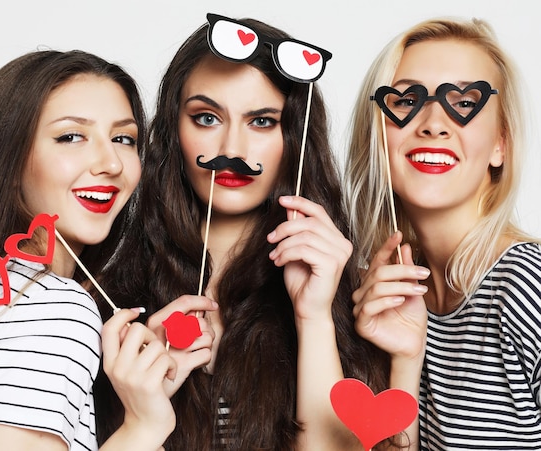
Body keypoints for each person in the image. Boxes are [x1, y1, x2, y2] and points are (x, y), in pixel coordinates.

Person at [95, 13, 398, 451]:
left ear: (294, 137)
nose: (231, 150)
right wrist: (143, 416)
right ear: (172, 130)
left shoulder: (355, 300)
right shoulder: (106, 302)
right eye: (206, 118)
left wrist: (312, 317)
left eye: (262, 122)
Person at [0, 49, 177, 450]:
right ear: (10, 159)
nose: (111, 163)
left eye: (123, 138)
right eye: (71, 136)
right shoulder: (55, 307)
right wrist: (143, 426)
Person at [345, 17, 541, 450]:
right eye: (406, 100)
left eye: (465, 103)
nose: (433, 123)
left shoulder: (527, 285)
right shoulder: (382, 294)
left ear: (500, 145)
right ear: (378, 134)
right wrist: (406, 360)